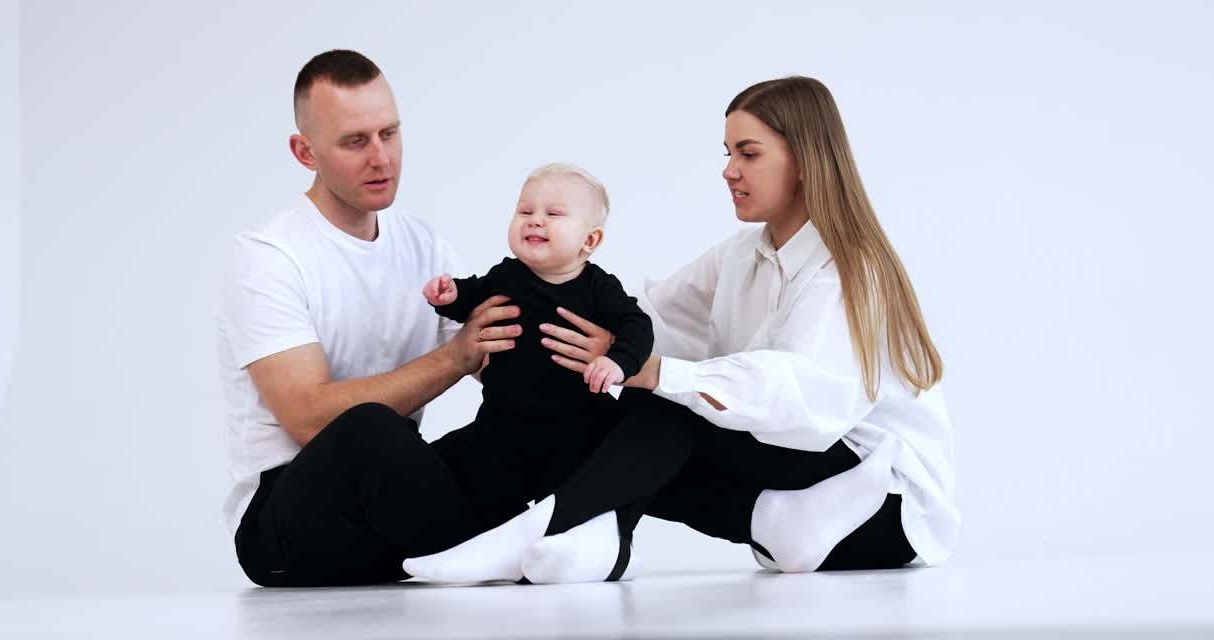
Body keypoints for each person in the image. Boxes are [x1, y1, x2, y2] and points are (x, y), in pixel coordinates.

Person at [403, 76, 959, 585]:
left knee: (666, 403)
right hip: (816, 528)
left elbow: (803, 404)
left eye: (748, 153)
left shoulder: (848, 267)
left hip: (879, 505)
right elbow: (649, 317)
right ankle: (616, 539)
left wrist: (652, 371)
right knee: (609, 413)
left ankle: (546, 530)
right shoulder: (743, 255)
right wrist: (525, 330)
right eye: (727, 153)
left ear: (804, 161)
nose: (728, 170)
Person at [217, 49, 537, 586]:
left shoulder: (421, 241)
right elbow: (308, 419)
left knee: (515, 425)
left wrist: (577, 341)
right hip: (286, 529)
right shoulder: (268, 256)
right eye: (355, 141)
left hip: (391, 510)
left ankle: (553, 537)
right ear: (305, 152)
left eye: (389, 134)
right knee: (368, 427)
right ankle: (514, 551)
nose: (381, 158)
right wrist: (457, 357)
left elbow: (491, 356)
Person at [418, 163, 653, 563]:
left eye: (554, 214)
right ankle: (492, 549)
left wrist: (618, 363)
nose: (535, 221)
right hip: (505, 418)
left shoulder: (599, 288)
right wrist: (450, 295)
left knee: (577, 488)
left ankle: (582, 547)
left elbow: (637, 326)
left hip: (577, 422)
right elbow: (474, 297)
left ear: (590, 240)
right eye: (525, 212)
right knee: (487, 482)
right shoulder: (506, 275)